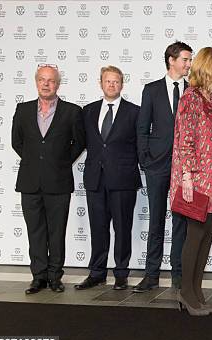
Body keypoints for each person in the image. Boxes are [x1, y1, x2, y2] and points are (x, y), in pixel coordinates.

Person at [11, 64, 85, 294]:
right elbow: (17, 142)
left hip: (59, 182)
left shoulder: (72, 111)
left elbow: (79, 143)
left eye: (51, 80)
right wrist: (37, 162)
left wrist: (60, 162)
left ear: (57, 84)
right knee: (35, 232)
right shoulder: (22, 110)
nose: (46, 84)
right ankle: (38, 277)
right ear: (36, 82)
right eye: (42, 79)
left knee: (56, 232)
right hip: (30, 182)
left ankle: (55, 277)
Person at [170, 47, 212, 316]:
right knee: (194, 236)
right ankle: (186, 292)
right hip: (194, 179)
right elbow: (185, 140)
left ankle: (196, 291)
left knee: (207, 234)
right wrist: (187, 179)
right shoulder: (190, 97)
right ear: (209, 66)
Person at [75, 66, 141, 291]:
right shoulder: (88, 111)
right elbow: (84, 142)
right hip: (95, 179)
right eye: (107, 81)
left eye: (116, 81)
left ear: (122, 84)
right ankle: (97, 272)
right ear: (100, 83)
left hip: (123, 180)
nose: (111, 85)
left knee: (123, 228)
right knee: (98, 228)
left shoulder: (134, 112)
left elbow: (140, 146)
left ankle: (121, 273)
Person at [135, 41, 192, 292]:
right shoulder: (152, 90)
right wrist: (145, 160)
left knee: (181, 222)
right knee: (156, 220)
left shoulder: (193, 91)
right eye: (185, 60)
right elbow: (142, 128)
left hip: (184, 168)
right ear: (171, 60)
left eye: (190, 60)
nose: (189, 64)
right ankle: (151, 275)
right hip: (156, 165)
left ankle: (179, 275)